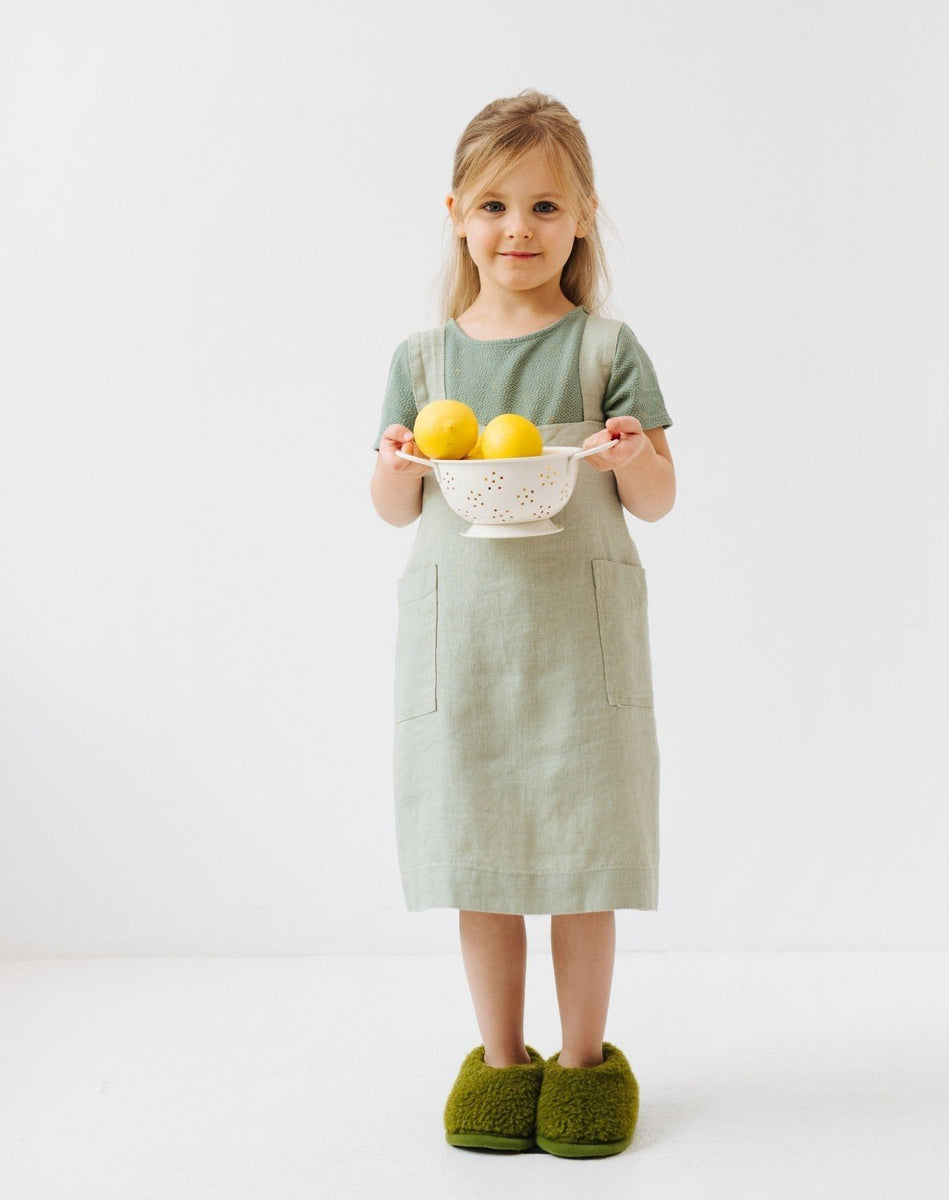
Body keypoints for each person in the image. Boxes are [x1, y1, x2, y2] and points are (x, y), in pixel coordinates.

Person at [369, 89, 676, 1157]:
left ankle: (584, 1065)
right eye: (495, 206)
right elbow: (393, 508)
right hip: (469, 650)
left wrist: (635, 454)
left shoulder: (605, 349)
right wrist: (392, 466)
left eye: (546, 208)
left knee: (584, 858)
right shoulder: (426, 362)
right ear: (456, 212)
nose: (518, 231)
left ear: (584, 215)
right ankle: (503, 1063)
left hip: (577, 652)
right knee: (482, 857)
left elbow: (658, 500)